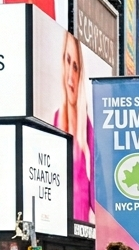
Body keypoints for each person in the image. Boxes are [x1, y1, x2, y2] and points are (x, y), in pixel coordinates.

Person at [54, 32, 94, 225]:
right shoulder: (55, 120)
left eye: (76, 67)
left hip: (80, 233)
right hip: (53, 225)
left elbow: (99, 198)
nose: (70, 75)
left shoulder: (87, 128)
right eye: (67, 61)